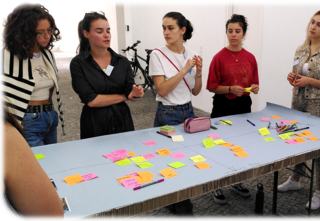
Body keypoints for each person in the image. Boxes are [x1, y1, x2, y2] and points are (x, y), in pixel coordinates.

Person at [277, 9, 320, 211]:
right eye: (312, 22)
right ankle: (296, 179)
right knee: (297, 141)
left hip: (318, 105)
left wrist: (310, 81)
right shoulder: (301, 48)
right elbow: (297, 74)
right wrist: (292, 78)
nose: (313, 27)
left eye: (319, 24)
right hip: (298, 101)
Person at [149, 12, 202, 221]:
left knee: (187, 159)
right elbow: (161, 90)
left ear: (182, 30)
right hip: (168, 113)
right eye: (163, 27)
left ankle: (174, 200)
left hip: (188, 111)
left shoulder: (192, 53)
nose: (165, 32)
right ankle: (185, 214)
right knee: (172, 161)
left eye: (170, 28)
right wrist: (185, 69)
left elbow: (196, 91)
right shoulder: (157, 55)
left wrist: (198, 72)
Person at [206, 14, 259, 205]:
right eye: (230, 31)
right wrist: (229, 88)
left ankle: (236, 181)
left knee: (240, 146)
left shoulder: (251, 58)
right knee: (219, 145)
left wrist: (253, 88)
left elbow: (254, 83)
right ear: (226, 33)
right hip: (223, 105)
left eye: (237, 31)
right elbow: (212, 86)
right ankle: (216, 184)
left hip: (243, 106)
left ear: (244, 33)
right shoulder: (219, 57)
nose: (233, 35)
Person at [0, 2, 65, 147]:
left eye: (49, 30)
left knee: (52, 162)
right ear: (25, 33)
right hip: (27, 120)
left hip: (50, 116)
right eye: (40, 32)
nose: (47, 36)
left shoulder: (46, 54)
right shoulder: (7, 56)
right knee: (37, 165)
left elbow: (50, 87)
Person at [70, 12, 144, 139]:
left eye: (108, 31)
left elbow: (130, 93)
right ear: (86, 34)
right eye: (99, 32)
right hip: (95, 123)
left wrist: (135, 95)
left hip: (122, 120)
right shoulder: (78, 64)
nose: (106, 35)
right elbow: (91, 100)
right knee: (96, 157)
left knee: (127, 155)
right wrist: (125, 96)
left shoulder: (122, 61)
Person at [0, 94, 64, 220]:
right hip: (31, 116)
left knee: (49, 160)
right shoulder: (3, 135)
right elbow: (51, 216)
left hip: (48, 113)